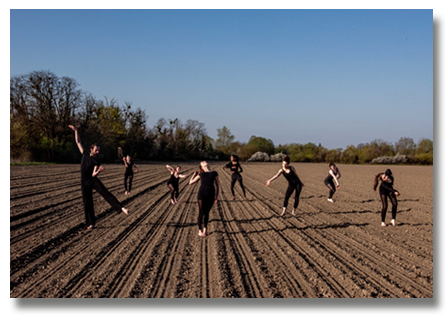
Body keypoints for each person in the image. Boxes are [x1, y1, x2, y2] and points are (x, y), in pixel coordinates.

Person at [69, 125, 129, 230]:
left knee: (105, 193)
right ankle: (90, 223)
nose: (98, 152)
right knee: (87, 202)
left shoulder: (96, 161)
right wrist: (76, 131)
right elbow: (78, 141)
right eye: (96, 150)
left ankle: (121, 208)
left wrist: (98, 172)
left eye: (98, 150)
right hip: (84, 181)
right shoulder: (85, 154)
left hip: (92, 180)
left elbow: (93, 174)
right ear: (91, 149)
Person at [189, 161, 220, 237]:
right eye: (202, 162)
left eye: (204, 161)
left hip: (211, 194)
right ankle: (200, 231)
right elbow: (190, 182)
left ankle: (205, 229)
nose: (204, 162)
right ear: (202, 167)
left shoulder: (214, 173)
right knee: (201, 211)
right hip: (202, 194)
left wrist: (216, 196)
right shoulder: (201, 174)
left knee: (207, 212)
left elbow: (218, 186)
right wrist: (194, 175)